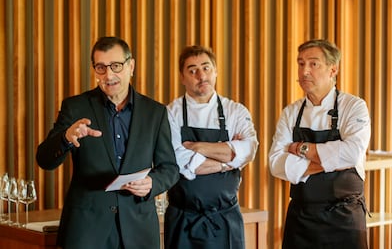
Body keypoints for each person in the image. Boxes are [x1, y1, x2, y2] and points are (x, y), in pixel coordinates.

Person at [36, 36, 179, 249]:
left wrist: (152, 183)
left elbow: (169, 168)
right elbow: (44, 160)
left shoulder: (155, 112)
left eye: (116, 66)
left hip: (138, 229)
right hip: (86, 230)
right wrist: (66, 137)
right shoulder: (75, 107)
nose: (109, 75)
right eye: (101, 67)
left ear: (131, 66)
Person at [268, 39, 371, 249]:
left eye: (313, 64)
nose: (304, 71)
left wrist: (299, 149)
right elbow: (276, 164)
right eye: (300, 63)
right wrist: (330, 160)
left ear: (333, 69)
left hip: (344, 218)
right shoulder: (290, 113)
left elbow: (351, 154)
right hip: (301, 219)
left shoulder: (354, 106)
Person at [164, 45, 258, 248]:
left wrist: (196, 146)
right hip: (183, 219)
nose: (201, 75)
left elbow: (248, 150)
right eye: (192, 70)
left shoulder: (235, 111)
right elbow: (178, 162)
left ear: (215, 71)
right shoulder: (170, 114)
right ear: (182, 77)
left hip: (225, 219)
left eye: (206, 68)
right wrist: (228, 159)